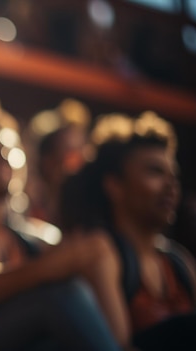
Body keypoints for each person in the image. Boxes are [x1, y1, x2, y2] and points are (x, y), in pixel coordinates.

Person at [0, 90, 130, 350]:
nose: (5, 154)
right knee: (63, 295)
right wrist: (44, 269)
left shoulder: (29, 238)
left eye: (10, 146)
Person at [60, 111, 196, 350]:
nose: (171, 185)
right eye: (155, 171)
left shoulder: (179, 262)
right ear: (115, 186)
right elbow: (117, 347)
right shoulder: (103, 254)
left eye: (173, 175)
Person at [23, 98, 92, 227]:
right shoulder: (26, 209)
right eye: (71, 156)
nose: (79, 164)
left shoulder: (91, 216)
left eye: (84, 155)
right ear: (48, 162)